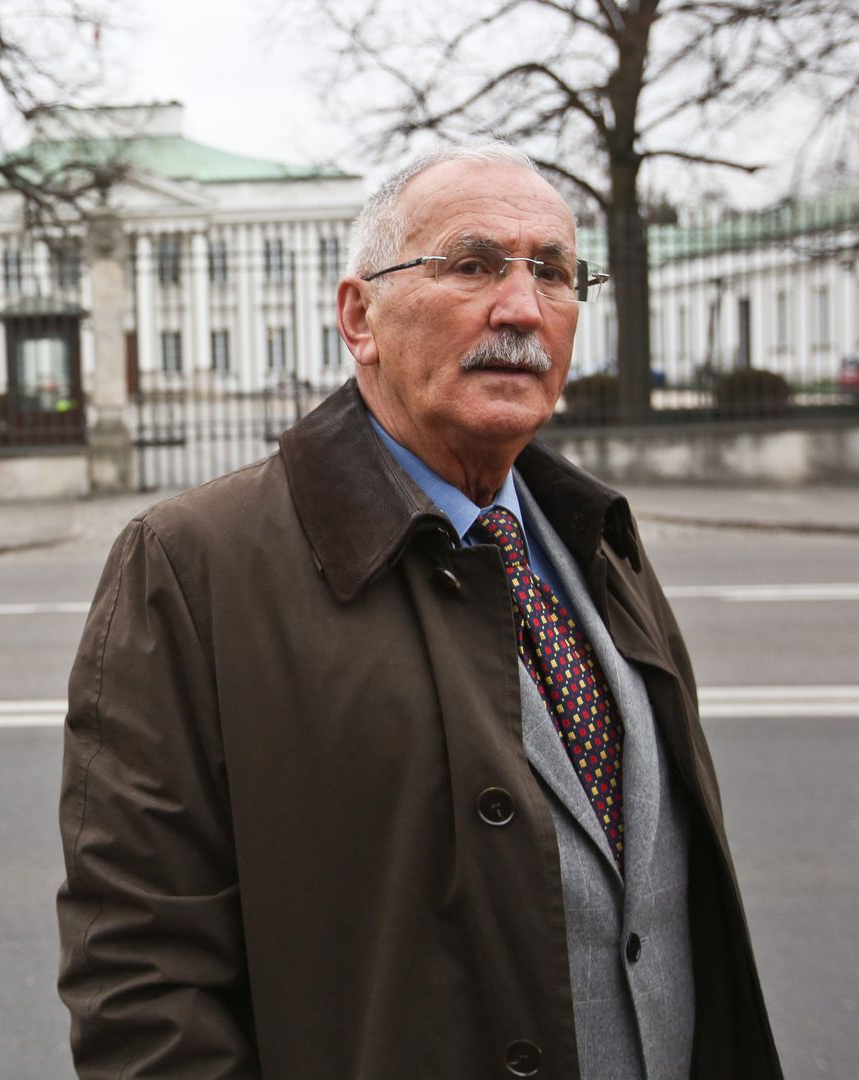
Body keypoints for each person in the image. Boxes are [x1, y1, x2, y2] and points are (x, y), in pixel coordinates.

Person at [56, 143, 780, 1079]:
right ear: (359, 317)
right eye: (472, 264)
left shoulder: (594, 540)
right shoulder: (192, 566)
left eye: (553, 273)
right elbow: (139, 979)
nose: (521, 308)